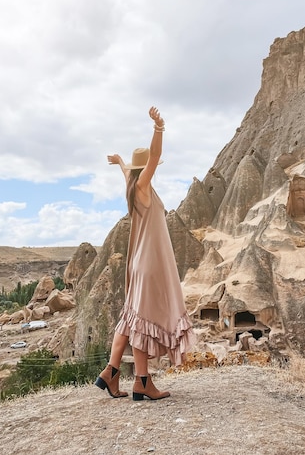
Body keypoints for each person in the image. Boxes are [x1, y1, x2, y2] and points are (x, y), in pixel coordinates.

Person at [95, 106, 196, 400]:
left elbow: (131, 168)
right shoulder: (142, 185)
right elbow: (152, 157)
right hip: (150, 263)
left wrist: (119, 162)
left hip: (140, 262)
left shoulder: (131, 184)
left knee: (132, 319)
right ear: (146, 171)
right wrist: (159, 128)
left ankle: (113, 374)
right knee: (140, 322)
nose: (154, 168)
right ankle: (140, 381)